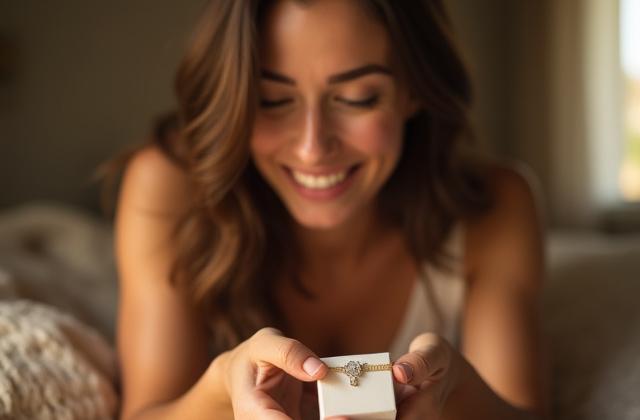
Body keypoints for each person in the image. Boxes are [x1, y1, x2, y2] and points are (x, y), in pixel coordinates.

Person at [100, 0, 551, 418]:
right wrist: (223, 384)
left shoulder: (495, 206)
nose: (313, 147)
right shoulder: (167, 185)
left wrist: (457, 387)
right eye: (272, 101)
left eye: (356, 97)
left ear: (414, 89)